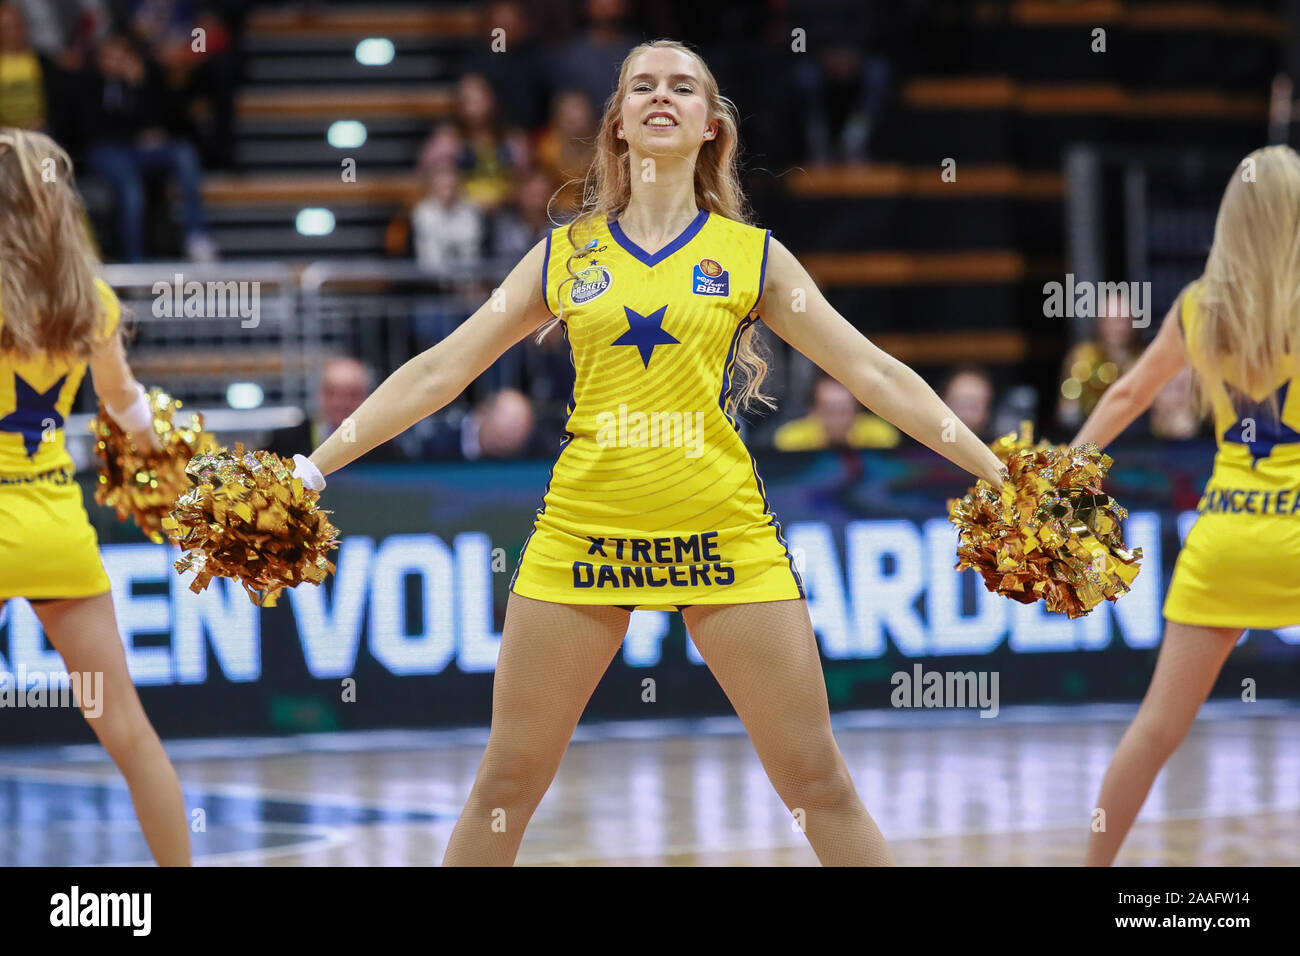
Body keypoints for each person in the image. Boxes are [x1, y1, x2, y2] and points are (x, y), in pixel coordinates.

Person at [288, 40, 1006, 867]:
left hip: (725, 541)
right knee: (505, 785)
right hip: (582, 536)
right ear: (619, 125)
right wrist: (313, 468)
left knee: (819, 782)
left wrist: (998, 473)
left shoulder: (752, 257)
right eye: (642, 87)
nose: (661, 97)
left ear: (710, 127)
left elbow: (874, 372)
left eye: (682, 87)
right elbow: (441, 370)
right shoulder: (566, 252)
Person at [1074, 145, 1300, 866]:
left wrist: (1063, 473)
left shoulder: (1202, 306)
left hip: (1229, 535)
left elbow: (1128, 394)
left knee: (1154, 730)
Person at [0, 128, 190, 866]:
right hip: (54, 528)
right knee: (131, 736)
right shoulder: (93, 304)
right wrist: (171, 466)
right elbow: (131, 411)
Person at [265, 356, 404, 463]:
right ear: (319, 394)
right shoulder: (283, 444)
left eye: (352, 395)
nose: (340, 403)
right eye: (331, 392)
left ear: (366, 398)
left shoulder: (383, 447)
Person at [772, 374, 900, 450]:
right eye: (830, 410)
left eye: (844, 410)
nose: (838, 418)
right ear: (814, 411)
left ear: (857, 411)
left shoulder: (881, 434)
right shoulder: (792, 438)